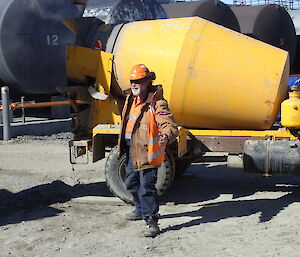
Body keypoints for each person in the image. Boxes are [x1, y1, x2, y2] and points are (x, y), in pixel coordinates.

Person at [117, 64, 178, 238]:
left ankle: (152, 221)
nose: (134, 84)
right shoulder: (131, 99)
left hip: (147, 153)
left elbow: (168, 124)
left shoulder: (156, 103)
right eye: (132, 81)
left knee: (147, 188)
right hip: (131, 150)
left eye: (138, 81)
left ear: (147, 82)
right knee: (131, 183)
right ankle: (139, 209)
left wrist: (166, 136)